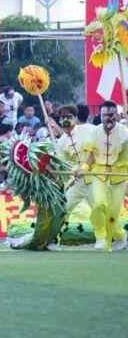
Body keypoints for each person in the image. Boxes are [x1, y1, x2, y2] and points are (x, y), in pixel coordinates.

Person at [75, 101, 128, 251]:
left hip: (119, 176)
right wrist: (84, 168)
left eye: (111, 115)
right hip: (99, 174)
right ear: (100, 115)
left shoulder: (124, 132)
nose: (108, 118)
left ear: (116, 115)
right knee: (98, 205)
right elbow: (91, 154)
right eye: (105, 115)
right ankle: (101, 237)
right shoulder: (95, 132)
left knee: (113, 212)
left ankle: (119, 238)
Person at [44, 105, 93, 247]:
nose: (65, 120)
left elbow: (97, 151)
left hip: (95, 179)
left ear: (76, 118)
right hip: (77, 183)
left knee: (101, 210)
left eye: (69, 117)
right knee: (64, 209)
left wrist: (85, 167)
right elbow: (63, 165)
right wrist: (49, 167)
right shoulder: (61, 142)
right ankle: (54, 239)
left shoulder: (89, 130)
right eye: (62, 117)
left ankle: (116, 239)